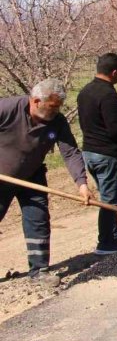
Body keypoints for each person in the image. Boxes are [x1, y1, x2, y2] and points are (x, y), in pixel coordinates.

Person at [0, 78, 92, 286]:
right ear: (35, 101)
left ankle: (39, 270)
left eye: (58, 107)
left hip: (32, 175)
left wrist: (82, 183)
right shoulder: (7, 109)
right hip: (2, 177)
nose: (56, 111)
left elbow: (70, 152)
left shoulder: (57, 122)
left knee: (38, 219)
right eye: (52, 107)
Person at [77, 53, 117, 255]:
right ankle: (105, 243)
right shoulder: (108, 96)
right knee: (110, 200)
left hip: (90, 152)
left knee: (107, 194)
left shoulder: (85, 91)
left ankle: (115, 232)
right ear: (114, 72)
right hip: (107, 154)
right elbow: (115, 128)